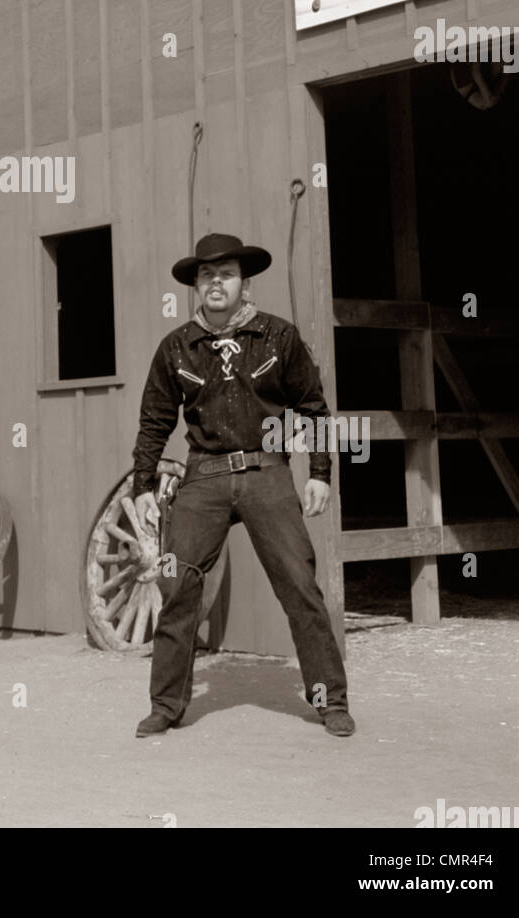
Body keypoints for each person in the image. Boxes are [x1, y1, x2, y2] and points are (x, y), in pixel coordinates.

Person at [131, 233, 355, 739]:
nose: (216, 283)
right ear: (196, 284)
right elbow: (154, 422)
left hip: (266, 472)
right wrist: (143, 484)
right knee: (178, 586)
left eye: (226, 274)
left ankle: (330, 700)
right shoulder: (176, 347)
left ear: (244, 282)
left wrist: (320, 473)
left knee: (300, 587)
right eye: (206, 275)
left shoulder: (279, 337)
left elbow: (313, 408)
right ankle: (165, 706)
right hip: (204, 476)